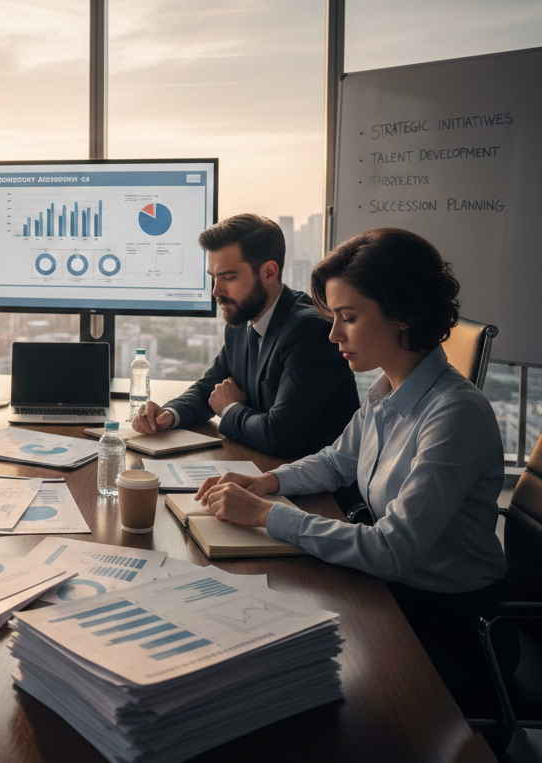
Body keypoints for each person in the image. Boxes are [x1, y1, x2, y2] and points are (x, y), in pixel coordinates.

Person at [196, 227, 516, 710]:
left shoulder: (455, 414)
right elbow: (336, 460)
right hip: (395, 598)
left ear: (404, 315)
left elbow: (392, 549)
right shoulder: (389, 391)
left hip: (452, 631)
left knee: (279, 679)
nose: (333, 334)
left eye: (348, 317)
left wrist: (267, 515)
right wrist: (267, 482)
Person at [132, 213, 358, 458]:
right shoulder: (241, 320)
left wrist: (229, 408)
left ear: (269, 273)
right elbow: (209, 388)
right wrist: (169, 414)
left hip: (319, 491)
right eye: (214, 278)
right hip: (262, 468)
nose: (216, 291)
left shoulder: (310, 330)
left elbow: (280, 437)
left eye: (229, 277)